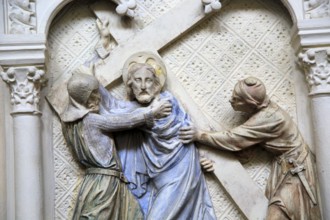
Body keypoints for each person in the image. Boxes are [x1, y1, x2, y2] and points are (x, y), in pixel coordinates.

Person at [179, 76, 321, 220]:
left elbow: (233, 139)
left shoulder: (269, 117)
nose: (231, 101)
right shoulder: (261, 114)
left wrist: (199, 135)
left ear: (250, 103)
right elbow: (245, 150)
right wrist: (213, 162)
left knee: (277, 213)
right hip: (285, 168)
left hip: (296, 170)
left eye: (236, 99)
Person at [118, 53, 216, 220]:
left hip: (182, 169)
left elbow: (185, 130)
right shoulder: (131, 112)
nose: (143, 86)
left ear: (156, 84)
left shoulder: (168, 101)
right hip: (158, 175)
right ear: (130, 84)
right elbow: (116, 117)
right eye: (137, 80)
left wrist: (201, 157)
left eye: (148, 80)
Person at [61, 72, 171, 220]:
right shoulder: (92, 120)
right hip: (104, 184)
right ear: (83, 98)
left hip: (97, 182)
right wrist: (152, 113)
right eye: (94, 94)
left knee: (135, 215)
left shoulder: (67, 124)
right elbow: (124, 121)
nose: (99, 98)